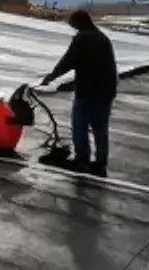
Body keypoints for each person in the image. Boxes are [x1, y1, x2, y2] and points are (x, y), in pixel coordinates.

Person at [40, 10, 118, 178]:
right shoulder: (103, 38)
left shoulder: (83, 39)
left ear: (79, 22)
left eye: (73, 23)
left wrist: (51, 76)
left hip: (88, 90)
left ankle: (82, 161)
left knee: (80, 126)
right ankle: (100, 163)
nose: (72, 26)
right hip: (107, 90)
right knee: (100, 129)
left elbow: (68, 61)